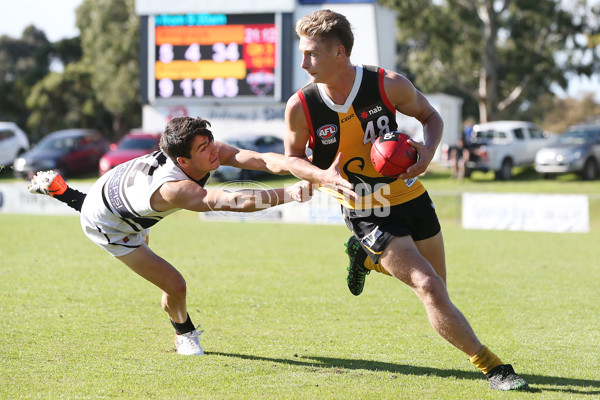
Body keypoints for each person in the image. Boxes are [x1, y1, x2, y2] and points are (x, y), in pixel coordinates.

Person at [284, 9, 528, 391]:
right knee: (427, 286)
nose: (303, 63)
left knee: (440, 289)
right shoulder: (302, 106)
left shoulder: (388, 84)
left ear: (339, 52)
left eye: (311, 54)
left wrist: (427, 153)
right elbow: (293, 159)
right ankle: (494, 368)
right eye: (302, 53)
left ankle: (365, 257)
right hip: (365, 205)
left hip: (411, 194)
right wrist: (322, 175)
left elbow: (431, 117)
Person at [28, 116, 312, 356]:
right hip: (109, 224)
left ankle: (62, 191)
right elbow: (237, 201)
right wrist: (289, 193)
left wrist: (304, 166)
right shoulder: (175, 189)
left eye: (211, 141)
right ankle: (183, 331)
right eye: (204, 147)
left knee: (143, 242)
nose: (214, 150)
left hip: (118, 192)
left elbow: (261, 159)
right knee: (175, 286)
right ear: (182, 160)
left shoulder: (200, 151)